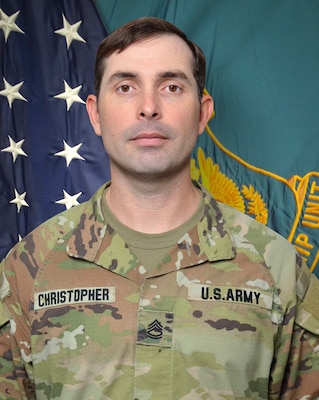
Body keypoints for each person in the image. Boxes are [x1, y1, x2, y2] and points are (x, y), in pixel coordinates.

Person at [0, 16, 319, 400]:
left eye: (171, 86)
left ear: (202, 113)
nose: (148, 107)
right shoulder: (28, 269)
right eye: (125, 87)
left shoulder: (278, 270)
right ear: (95, 114)